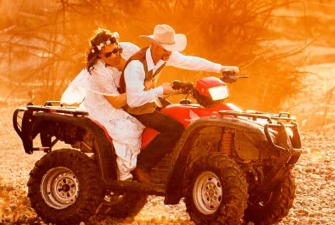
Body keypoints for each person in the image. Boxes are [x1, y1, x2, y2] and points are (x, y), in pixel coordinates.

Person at [119, 24, 239, 182]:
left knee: (176, 112)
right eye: (164, 48)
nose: (168, 52)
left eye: (171, 48)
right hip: (133, 106)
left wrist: (221, 68)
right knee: (175, 129)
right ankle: (142, 166)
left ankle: (169, 163)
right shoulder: (136, 65)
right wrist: (161, 90)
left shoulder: (164, 56)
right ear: (154, 45)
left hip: (148, 99)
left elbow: (189, 61)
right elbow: (134, 101)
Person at [60, 30, 145, 181]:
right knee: (128, 131)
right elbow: (116, 103)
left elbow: (148, 69)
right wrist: (139, 89)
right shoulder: (98, 72)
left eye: (115, 50)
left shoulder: (129, 50)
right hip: (106, 106)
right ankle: (122, 173)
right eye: (108, 54)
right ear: (99, 55)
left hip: (127, 96)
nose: (114, 56)